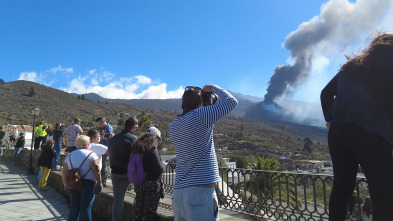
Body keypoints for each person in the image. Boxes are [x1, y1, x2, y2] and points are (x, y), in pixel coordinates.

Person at [320, 32, 393, 220]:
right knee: (383, 194)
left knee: (342, 188)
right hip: (372, 132)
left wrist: (330, 120)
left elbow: (325, 93)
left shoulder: (351, 66)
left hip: (338, 132)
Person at [169, 85, 238, 220]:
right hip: (199, 194)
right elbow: (232, 101)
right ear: (201, 104)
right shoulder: (201, 116)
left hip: (179, 193)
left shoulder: (174, 125)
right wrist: (211, 87)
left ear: (183, 103)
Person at [61, 135, 102, 221]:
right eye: (88, 143)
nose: (89, 145)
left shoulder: (69, 155)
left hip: (73, 183)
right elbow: (96, 170)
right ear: (85, 144)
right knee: (85, 208)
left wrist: (65, 183)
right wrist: (99, 182)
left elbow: (64, 171)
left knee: (74, 207)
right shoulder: (91, 155)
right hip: (88, 183)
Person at [133, 127, 167, 221]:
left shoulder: (137, 148)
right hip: (151, 184)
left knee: (138, 210)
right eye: (158, 139)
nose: (157, 142)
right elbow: (158, 169)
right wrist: (164, 164)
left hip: (139, 183)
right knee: (148, 213)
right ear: (154, 137)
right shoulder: (152, 149)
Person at [108, 117, 138, 221]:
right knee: (140, 196)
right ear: (134, 127)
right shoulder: (133, 139)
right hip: (129, 172)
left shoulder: (113, 139)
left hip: (115, 172)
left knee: (117, 200)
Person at [95, 117, 113, 187]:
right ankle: (101, 179)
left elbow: (106, 137)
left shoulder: (108, 128)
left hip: (105, 149)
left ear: (103, 122)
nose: (99, 125)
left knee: (104, 164)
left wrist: (101, 137)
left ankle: (104, 181)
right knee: (101, 163)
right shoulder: (102, 128)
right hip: (101, 148)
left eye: (100, 124)